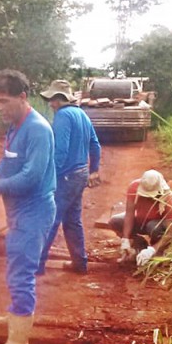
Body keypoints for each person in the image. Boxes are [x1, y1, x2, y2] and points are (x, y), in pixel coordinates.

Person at [0, 69, 56, 344]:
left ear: (22, 97)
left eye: (4, 101)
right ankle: (16, 315)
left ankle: (19, 343)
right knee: (14, 268)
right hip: (19, 210)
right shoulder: (14, 126)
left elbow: (33, 177)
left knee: (21, 272)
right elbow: (8, 161)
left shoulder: (38, 129)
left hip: (34, 210)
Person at [36, 80, 101, 275]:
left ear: (59, 99)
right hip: (80, 174)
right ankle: (79, 263)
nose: (50, 104)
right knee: (72, 220)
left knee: (49, 218)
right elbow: (95, 144)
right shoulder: (82, 114)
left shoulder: (63, 117)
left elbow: (61, 152)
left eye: (52, 100)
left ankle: (37, 265)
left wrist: (49, 177)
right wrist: (94, 170)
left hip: (66, 176)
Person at [109, 169, 172, 266]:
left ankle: (158, 252)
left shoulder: (168, 198)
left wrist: (152, 250)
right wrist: (125, 239)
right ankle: (139, 246)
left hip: (156, 227)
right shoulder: (134, 187)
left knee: (153, 227)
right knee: (115, 221)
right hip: (141, 221)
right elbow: (129, 213)